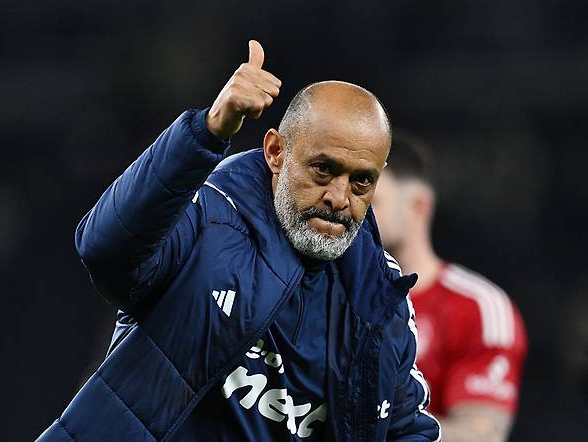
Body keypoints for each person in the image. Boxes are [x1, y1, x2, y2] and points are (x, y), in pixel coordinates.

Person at [37, 41, 440, 441]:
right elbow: (106, 250)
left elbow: (405, 428)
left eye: (361, 181)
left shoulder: (380, 298)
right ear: (276, 152)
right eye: (322, 169)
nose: (339, 197)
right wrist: (208, 131)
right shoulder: (206, 221)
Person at [371, 130, 528, 442]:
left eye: (373, 203)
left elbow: (482, 435)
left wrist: (376, 430)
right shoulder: (330, 298)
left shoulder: (480, 308)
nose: (356, 214)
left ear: (418, 207)